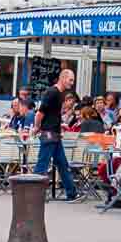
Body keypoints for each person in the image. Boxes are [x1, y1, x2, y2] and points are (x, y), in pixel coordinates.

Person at [33, 66, 78, 200]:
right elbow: (40, 113)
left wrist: (60, 124)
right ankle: (34, 194)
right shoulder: (52, 92)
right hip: (49, 134)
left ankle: (72, 194)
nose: (72, 83)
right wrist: (36, 127)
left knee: (62, 165)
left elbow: (52, 114)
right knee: (42, 165)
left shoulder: (59, 94)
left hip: (54, 134)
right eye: (70, 80)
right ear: (63, 78)